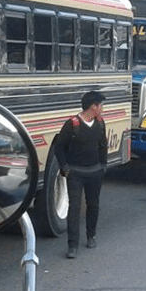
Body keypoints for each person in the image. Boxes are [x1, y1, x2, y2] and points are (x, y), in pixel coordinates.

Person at [53, 90, 108, 259]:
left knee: (93, 205)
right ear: (93, 107)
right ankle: (72, 245)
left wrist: (103, 166)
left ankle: (91, 236)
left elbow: (103, 146)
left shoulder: (100, 123)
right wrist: (65, 168)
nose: (102, 109)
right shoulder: (72, 124)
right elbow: (59, 147)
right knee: (74, 209)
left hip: (95, 172)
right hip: (76, 173)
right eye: (101, 105)